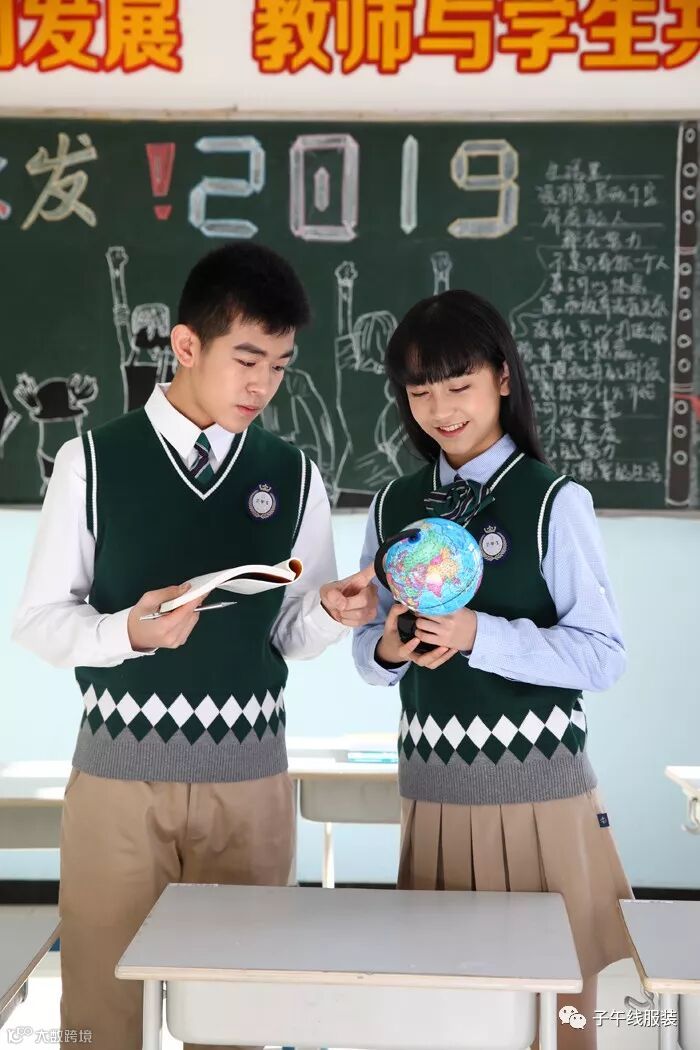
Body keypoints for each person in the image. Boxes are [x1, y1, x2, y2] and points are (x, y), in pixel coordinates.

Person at [12, 241, 377, 1050]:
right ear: (186, 345)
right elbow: (38, 620)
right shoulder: (92, 461)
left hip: (249, 785)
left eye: (279, 367)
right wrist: (126, 632)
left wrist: (329, 611)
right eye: (246, 360)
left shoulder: (294, 475)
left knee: (239, 1017)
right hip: (118, 782)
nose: (263, 385)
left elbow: (290, 635)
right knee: (98, 1016)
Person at [352, 288, 632, 1049]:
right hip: (434, 792)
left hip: (540, 792)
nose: (440, 409)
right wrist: (391, 645)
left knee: (565, 1015)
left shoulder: (553, 502)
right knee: (448, 1017)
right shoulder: (393, 506)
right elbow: (373, 657)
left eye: (458, 385)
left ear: (503, 377)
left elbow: (603, 655)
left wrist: (480, 634)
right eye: (420, 392)